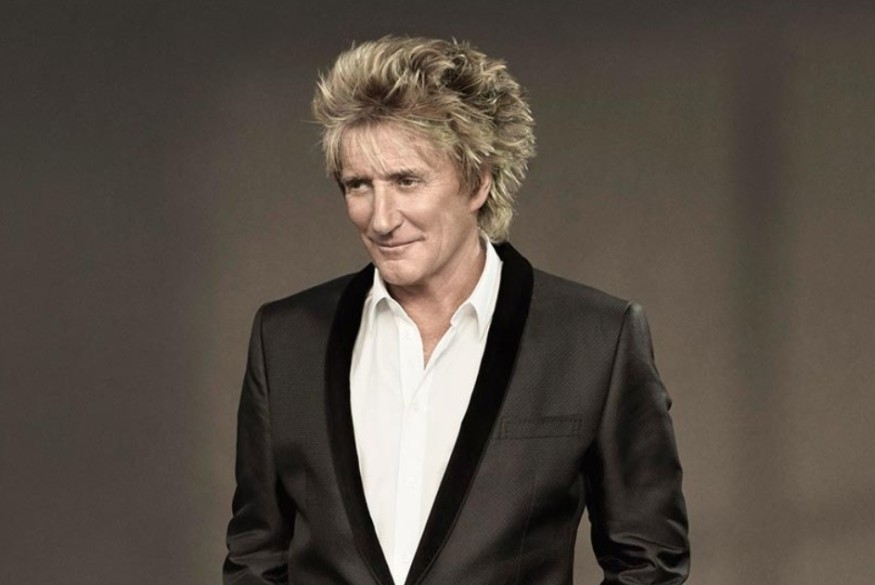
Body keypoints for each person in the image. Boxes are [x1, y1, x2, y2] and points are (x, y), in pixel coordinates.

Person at [223, 36, 689, 585]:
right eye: (358, 185)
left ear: (478, 182)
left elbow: (649, 563)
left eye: (407, 181)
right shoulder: (286, 338)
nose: (380, 218)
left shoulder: (595, 339)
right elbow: (256, 556)